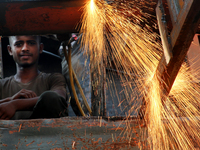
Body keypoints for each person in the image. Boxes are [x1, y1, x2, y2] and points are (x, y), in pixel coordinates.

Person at [0, 35, 68, 120]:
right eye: (18, 44)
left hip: (45, 132)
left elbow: (57, 97)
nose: (25, 48)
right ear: (10, 50)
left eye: (31, 43)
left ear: (40, 48)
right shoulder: (2, 85)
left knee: (49, 97)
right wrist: (10, 99)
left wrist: (15, 104)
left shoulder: (53, 79)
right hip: (9, 133)